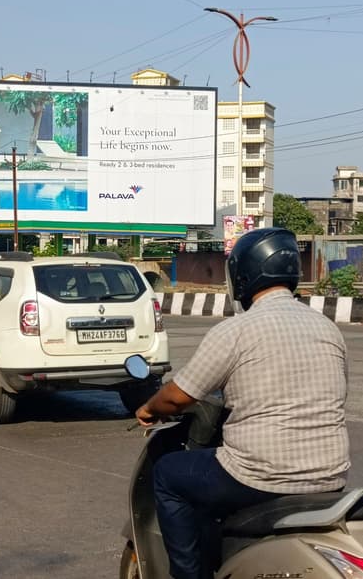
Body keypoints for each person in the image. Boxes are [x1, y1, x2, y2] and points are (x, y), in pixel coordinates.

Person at [135, 227, 350, 579]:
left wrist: (148, 408)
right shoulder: (327, 328)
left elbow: (178, 396)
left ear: (242, 276)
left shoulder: (237, 329)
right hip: (331, 476)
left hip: (259, 476)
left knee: (168, 475)